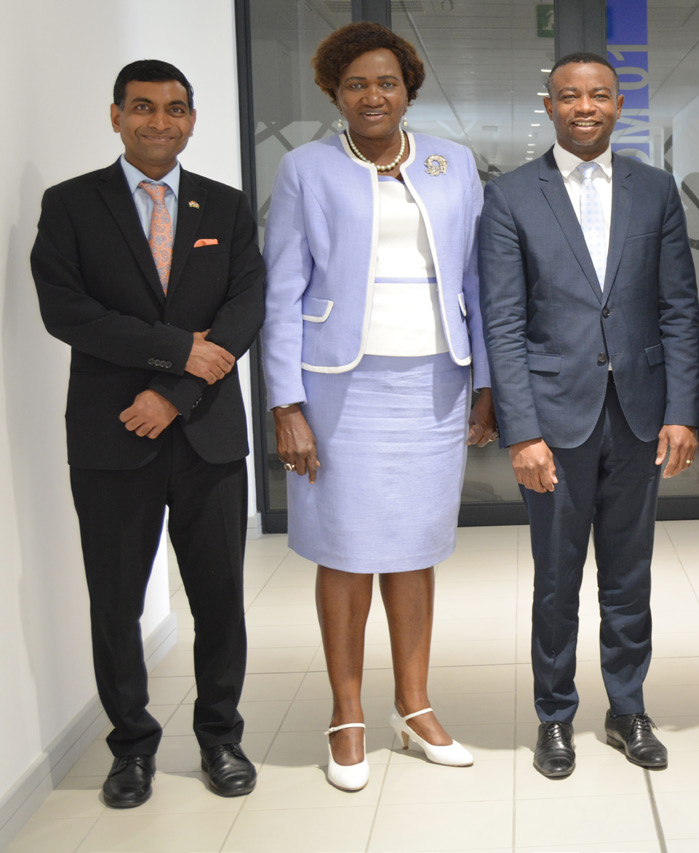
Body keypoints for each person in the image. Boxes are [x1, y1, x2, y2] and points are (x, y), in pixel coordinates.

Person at [261, 22, 496, 791]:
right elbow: (283, 289)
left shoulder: (450, 161)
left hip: (433, 380)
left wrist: (484, 380)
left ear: (408, 89)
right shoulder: (306, 168)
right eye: (356, 83)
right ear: (334, 90)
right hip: (339, 385)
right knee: (346, 547)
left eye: (386, 82)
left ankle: (416, 705)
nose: (372, 95)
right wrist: (285, 401)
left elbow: (474, 282)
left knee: (415, 545)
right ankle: (347, 711)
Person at [30, 60, 265, 808]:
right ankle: (130, 747)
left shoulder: (224, 207)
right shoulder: (71, 205)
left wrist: (174, 391)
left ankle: (220, 736)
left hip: (206, 438)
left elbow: (243, 308)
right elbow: (67, 311)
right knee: (116, 602)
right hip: (111, 439)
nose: (158, 121)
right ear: (115, 116)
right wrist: (174, 350)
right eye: (142, 108)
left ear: (192, 120)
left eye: (173, 109)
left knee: (220, 600)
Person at [479, 52, 699, 779]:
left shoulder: (656, 190)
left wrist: (680, 410)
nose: (584, 107)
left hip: (637, 416)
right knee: (555, 575)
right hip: (553, 419)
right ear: (548, 105)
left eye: (598, 95)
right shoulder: (511, 196)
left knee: (628, 572)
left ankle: (628, 706)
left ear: (618, 103)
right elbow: (503, 323)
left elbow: (676, 310)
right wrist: (521, 431)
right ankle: (554, 713)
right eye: (569, 96)